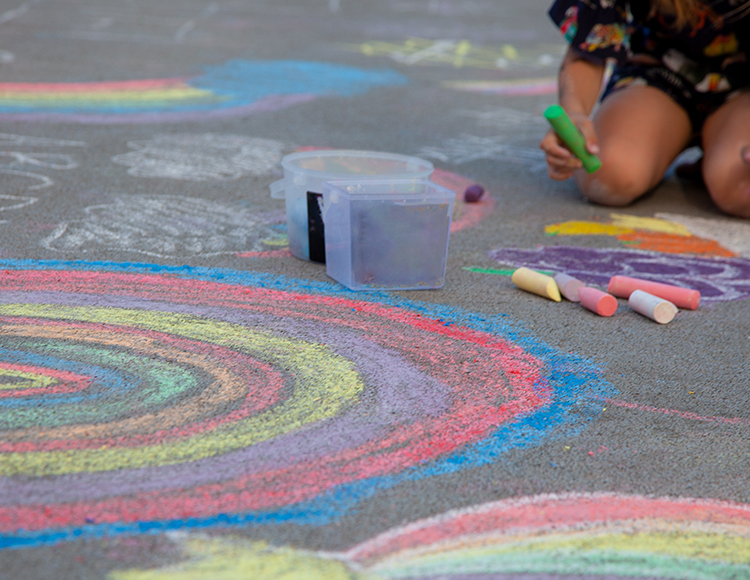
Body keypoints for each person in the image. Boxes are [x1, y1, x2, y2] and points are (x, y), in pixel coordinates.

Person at [539, 0, 750, 218]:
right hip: (658, 71)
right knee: (610, 175)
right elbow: (586, 51)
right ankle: (696, 143)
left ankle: (720, 146)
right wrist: (574, 112)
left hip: (742, 85)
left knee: (742, 190)